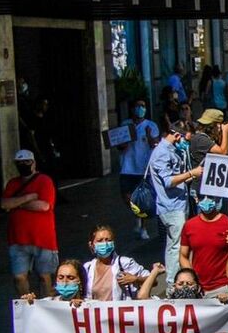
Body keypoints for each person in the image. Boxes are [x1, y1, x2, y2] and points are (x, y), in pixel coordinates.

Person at [148, 122, 203, 282]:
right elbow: (168, 181)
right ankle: (172, 282)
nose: (185, 141)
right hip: (171, 207)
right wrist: (191, 173)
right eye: (184, 137)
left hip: (178, 204)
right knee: (176, 246)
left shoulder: (170, 150)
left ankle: (178, 279)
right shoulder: (162, 153)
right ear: (176, 135)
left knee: (178, 244)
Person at [1, 150, 57, 297]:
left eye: (27, 162)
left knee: (45, 278)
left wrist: (17, 203)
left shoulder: (45, 181)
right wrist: (29, 197)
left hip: (43, 239)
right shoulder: (13, 183)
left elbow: (44, 206)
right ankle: (27, 309)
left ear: (33, 163)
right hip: (17, 239)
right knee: (19, 277)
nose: (23, 165)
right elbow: (5, 204)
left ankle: (46, 310)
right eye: (20, 163)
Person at [179, 194, 228, 296]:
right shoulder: (189, 226)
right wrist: (192, 278)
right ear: (197, 198)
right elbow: (183, 255)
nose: (206, 200)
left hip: (223, 288)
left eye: (209, 196)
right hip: (198, 290)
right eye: (201, 197)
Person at [116, 100, 159, 241]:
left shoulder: (151, 126)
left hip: (143, 169)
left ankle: (142, 226)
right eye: (137, 106)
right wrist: (128, 136)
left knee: (142, 199)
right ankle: (137, 217)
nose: (141, 108)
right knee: (126, 196)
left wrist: (148, 136)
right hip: (127, 168)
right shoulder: (125, 125)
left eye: (143, 106)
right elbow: (119, 145)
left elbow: (155, 144)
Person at [83, 224, 150, 301]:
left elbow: (153, 280)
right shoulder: (87, 268)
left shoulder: (125, 263)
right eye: (100, 240)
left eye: (108, 240)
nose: (105, 243)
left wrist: (136, 279)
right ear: (91, 245)